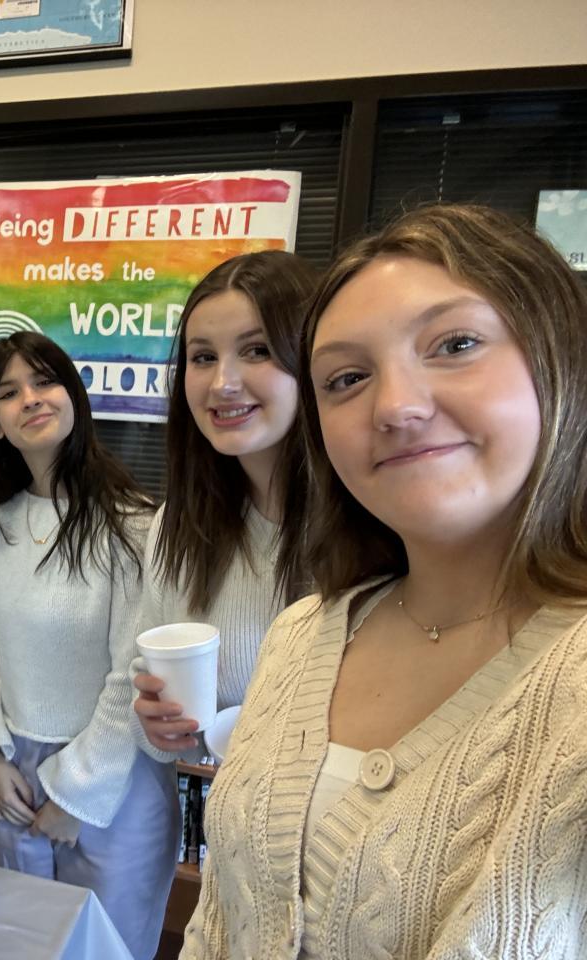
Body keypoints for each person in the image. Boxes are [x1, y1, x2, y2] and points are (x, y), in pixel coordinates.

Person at [180, 205, 587, 958]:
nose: (396, 406)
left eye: (455, 345)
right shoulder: (303, 634)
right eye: (347, 378)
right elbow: (220, 920)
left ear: (559, 356)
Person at [129, 251, 317, 914]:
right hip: (232, 856)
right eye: (203, 357)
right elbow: (146, 699)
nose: (223, 383)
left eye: (257, 350)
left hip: (339, 862)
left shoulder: (374, 534)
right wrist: (156, 724)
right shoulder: (179, 525)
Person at [0, 331, 164, 959]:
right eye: (8, 392)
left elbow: (133, 672)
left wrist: (75, 795)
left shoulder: (132, 522)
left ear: (74, 396)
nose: (30, 398)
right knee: (18, 945)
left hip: (110, 780)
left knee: (105, 948)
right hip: (15, 780)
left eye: (45, 381)